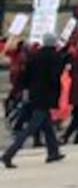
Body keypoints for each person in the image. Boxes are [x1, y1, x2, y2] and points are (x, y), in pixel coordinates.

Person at [3, 34, 67, 168]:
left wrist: (22, 90)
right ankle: (9, 154)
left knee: (47, 126)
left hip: (34, 95)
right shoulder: (55, 58)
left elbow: (24, 76)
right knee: (31, 128)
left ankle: (53, 152)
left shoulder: (34, 56)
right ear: (54, 43)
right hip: (46, 96)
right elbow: (55, 78)